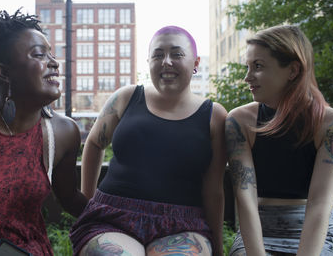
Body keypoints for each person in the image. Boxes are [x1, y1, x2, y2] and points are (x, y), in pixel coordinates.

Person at [69, 25, 227, 256]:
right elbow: (94, 144)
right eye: (158, 54)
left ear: (195, 63)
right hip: (112, 218)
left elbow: (214, 190)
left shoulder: (215, 116)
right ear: (149, 61)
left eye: (177, 53)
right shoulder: (126, 97)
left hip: (183, 226)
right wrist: (88, 203)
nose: (166, 61)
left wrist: (218, 248)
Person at [0, 9, 87, 256]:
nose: (54, 62)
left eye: (51, 54)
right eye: (39, 55)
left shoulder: (63, 132)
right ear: (3, 72)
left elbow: (72, 199)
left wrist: (124, 217)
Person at [226, 25, 333, 256]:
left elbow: (319, 205)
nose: (247, 77)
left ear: (293, 70)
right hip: (260, 230)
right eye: (247, 67)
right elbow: (246, 201)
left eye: (258, 67)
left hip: (318, 233)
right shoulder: (239, 121)